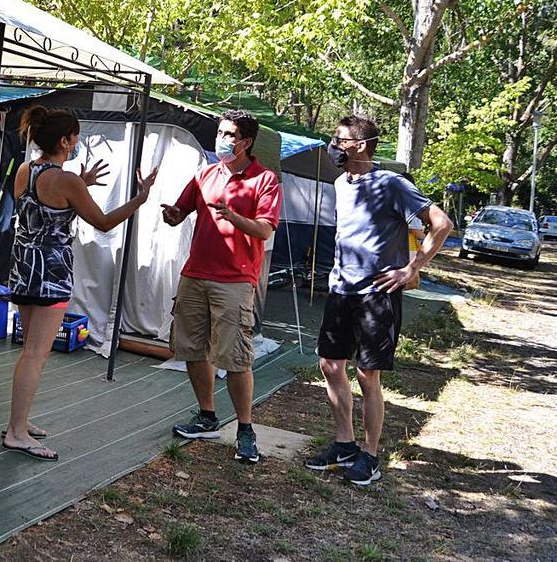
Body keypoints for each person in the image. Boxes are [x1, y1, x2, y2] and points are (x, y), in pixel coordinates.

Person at [2, 105, 157, 461]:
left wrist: (80, 184)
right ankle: (17, 432)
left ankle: (18, 422)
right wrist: (140, 198)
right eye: (75, 137)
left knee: (29, 352)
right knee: (35, 355)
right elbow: (102, 222)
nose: (77, 142)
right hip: (51, 274)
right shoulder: (66, 180)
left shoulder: (27, 169)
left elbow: (41, 207)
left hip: (24, 268)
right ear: (64, 140)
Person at [305, 116, 452, 486]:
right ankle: (344, 444)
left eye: (340, 140)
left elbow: (441, 223)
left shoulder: (392, 184)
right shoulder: (340, 183)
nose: (334, 145)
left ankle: (369, 455)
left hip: (377, 294)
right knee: (330, 366)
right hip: (341, 289)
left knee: (367, 373)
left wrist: (411, 268)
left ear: (362, 144)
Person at [161, 110, 282, 463]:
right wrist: (170, 213)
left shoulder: (264, 180)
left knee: (235, 357)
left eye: (229, 134)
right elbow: (179, 214)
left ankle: (245, 429)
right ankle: (207, 416)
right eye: (220, 131)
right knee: (193, 349)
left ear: (245, 142)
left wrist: (233, 217)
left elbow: (264, 230)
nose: (222, 139)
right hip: (195, 274)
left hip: (235, 280)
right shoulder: (204, 174)